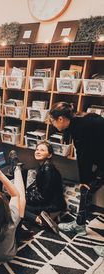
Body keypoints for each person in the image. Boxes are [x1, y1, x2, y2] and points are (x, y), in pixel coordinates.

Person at [49, 102, 104, 252]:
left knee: (86, 188)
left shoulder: (80, 128)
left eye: (52, 121)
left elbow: (84, 157)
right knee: (86, 191)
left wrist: (85, 180)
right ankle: (80, 224)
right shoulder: (78, 122)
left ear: (61, 119)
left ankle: (79, 224)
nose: (53, 124)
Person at [21, 142, 66, 234]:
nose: (37, 152)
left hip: (53, 205)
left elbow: (44, 197)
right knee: (21, 202)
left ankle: (41, 220)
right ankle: (47, 217)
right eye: (37, 149)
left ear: (49, 155)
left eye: (42, 150)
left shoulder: (47, 169)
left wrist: (25, 199)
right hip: (52, 203)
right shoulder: (44, 166)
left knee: (18, 207)